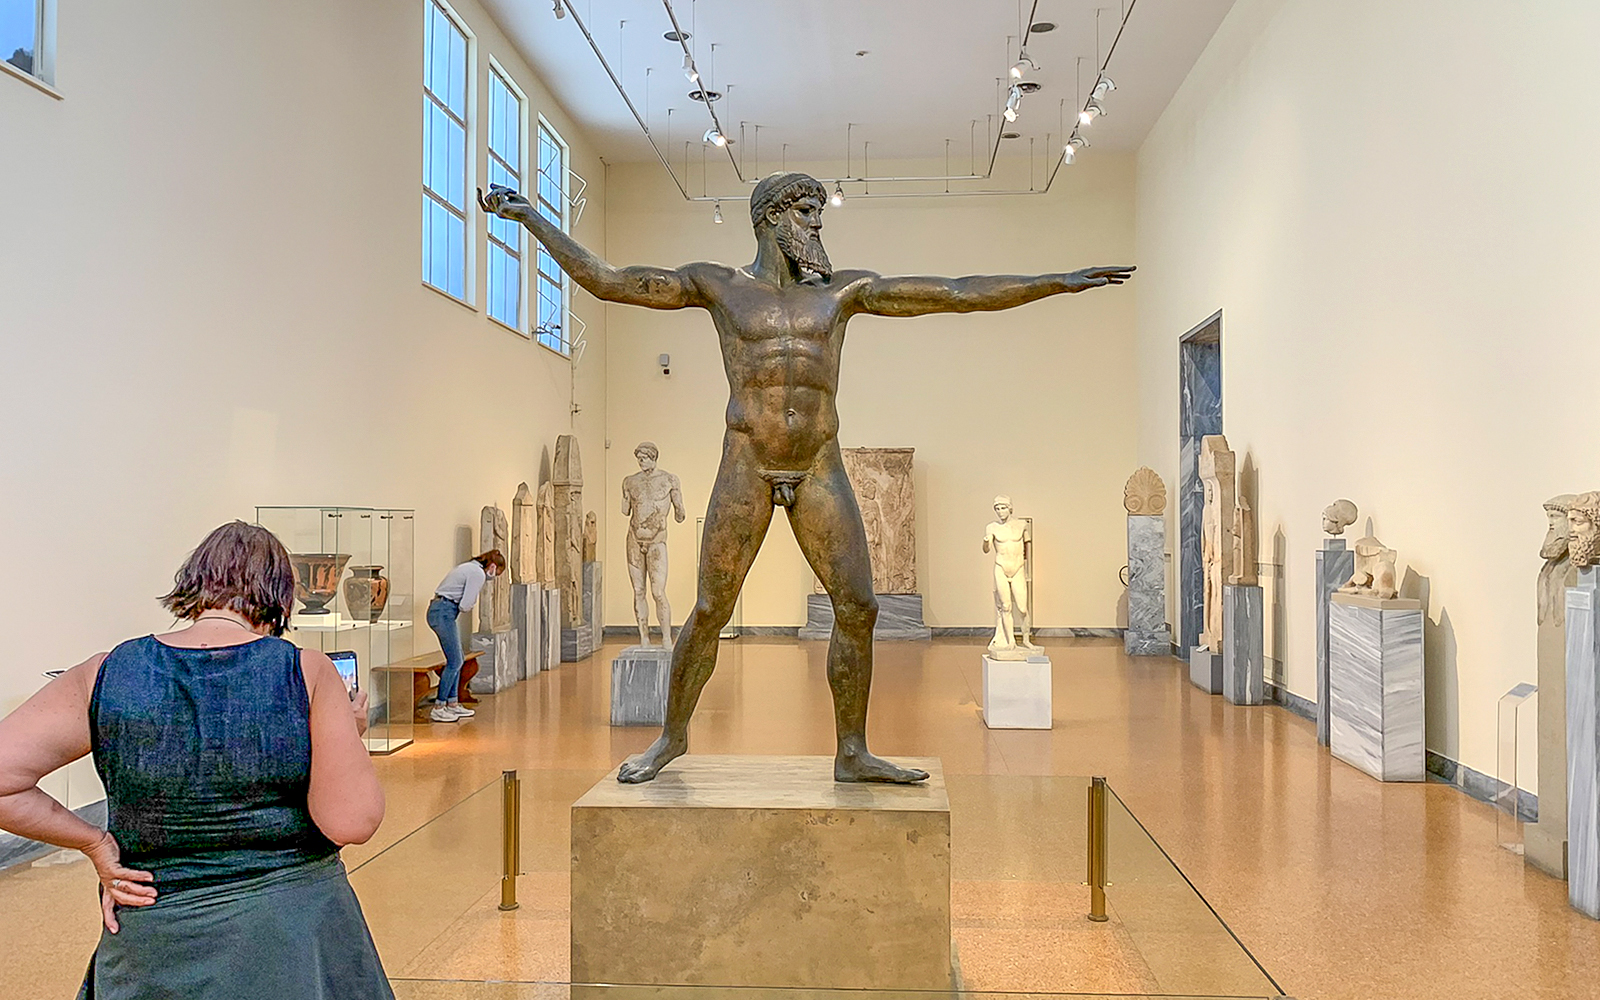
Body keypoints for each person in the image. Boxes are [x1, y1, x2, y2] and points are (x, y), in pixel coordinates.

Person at [480, 172, 1132, 784]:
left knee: (860, 606)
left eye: (819, 210)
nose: (817, 223)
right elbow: (610, 280)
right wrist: (533, 217)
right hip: (747, 461)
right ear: (769, 218)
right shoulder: (718, 284)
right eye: (805, 210)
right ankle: (671, 737)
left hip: (818, 460)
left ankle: (852, 750)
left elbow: (955, 292)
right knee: (710, 609)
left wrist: (1057, 281)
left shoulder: (841, 292)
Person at [0, 520, 390, 999]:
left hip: (154, 932)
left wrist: (97, 844)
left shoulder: (108, 671)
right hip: (290, 935)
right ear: (278, 598)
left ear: (195, 583)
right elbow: (352, 822)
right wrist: (345, 737)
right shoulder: (302, 669)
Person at [426, 550, 504, 723]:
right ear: (492, 566)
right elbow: (466, 604)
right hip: (444, 612)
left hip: (441, 609)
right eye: (497, 573)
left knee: (458, 658)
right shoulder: (477, 573)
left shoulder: (469, 567)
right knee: (455, 661)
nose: (494, 577)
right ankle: (439, 706)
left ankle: (453, 703)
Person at [621, 442, 686, 647]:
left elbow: (680, 513)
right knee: (639, 590)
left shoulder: (669, 480)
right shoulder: (630, 482)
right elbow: (625, 510)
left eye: (645, 457)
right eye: (639, 458)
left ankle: (666, 637)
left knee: (658, 592)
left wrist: (675, 509)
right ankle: (644, 637)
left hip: (657, 541)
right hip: (634, 540)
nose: (641, 461)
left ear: (654, 457)